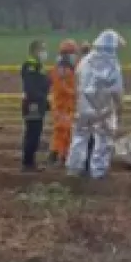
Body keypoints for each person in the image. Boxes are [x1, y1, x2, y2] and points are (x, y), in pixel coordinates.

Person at [67, 30, 126, 179]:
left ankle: (74, 168)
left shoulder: (85, 60)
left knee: (80, 137)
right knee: (103, 139)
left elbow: (76, 79)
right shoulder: (113, 64)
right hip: (103, 108)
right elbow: (116, 90)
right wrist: (119, 107)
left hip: (84, 106)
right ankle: (98, 171)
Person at [48, 39, 80, 167]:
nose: (75, 56)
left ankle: (57, 156)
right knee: (64, 132)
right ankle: (59, 157)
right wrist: (76, 93)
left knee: (63, 132)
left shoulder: (69, 68)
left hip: (67, 106)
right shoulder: (61, 70)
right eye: (73, 53)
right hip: (61, 107)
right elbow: (62, 88)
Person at [20, 40, 51, 172]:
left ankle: (30, 162)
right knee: (32, 133)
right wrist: (42, 99)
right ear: (34, 51)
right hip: (33, 105)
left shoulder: (38, 66)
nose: (44, 52)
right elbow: (31, 88)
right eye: (42, 49)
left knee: (35, 133)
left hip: (38, 103)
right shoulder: (30, 66)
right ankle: (28, 164)